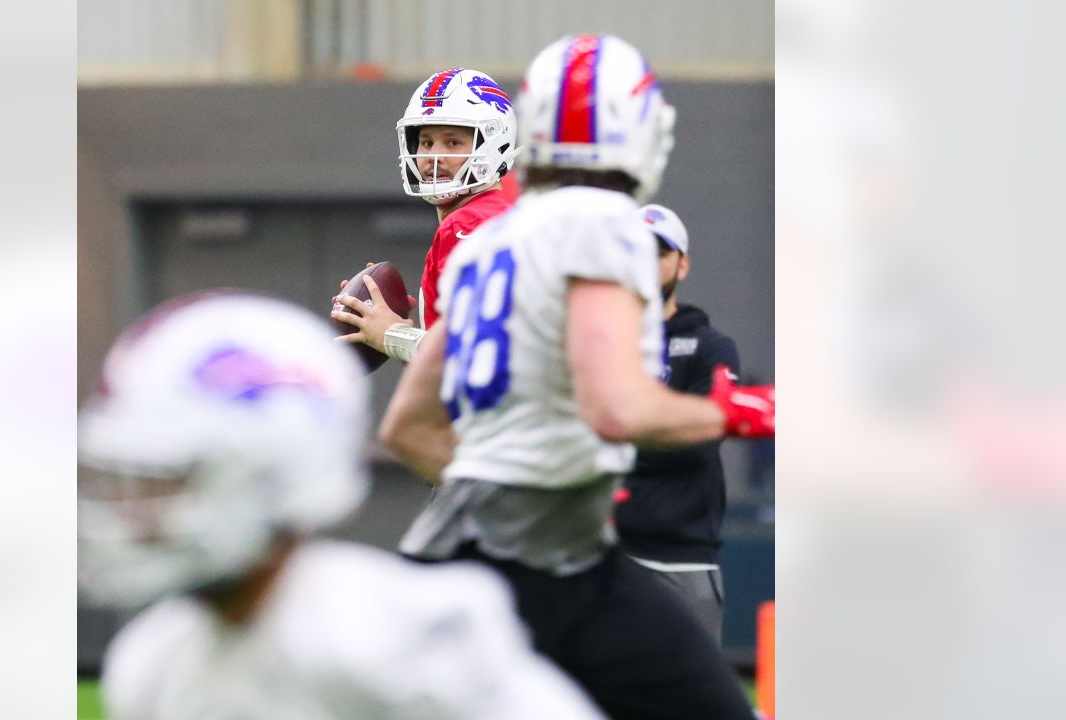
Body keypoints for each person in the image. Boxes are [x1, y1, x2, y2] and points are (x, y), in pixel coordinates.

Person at [379, 34, 774, 719]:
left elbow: (407, 429)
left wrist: (510, 479)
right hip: (542, 562)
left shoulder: (489, 240)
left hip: (464, 552)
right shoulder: (607, 227)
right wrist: (742, 411)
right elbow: (616, 407)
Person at [77, 291, 605, 720]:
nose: (136, 514)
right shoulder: (152, 661)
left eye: (173, 480)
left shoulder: (393, 637)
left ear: (271, 473)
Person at [613, 203, 744, 646]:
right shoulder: (599, 342)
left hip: (680, 557)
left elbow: (701, 435)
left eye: (659, 253)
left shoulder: (709, 346)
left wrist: (614, 432)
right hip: (603, 553)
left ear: (682, 264)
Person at [333, 68, 516, 364]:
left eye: (453, 142)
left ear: (494, 144)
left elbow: (475, 359)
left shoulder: (467, 225)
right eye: (427, 142)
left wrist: (391, 334)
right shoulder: (496, 214)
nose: (434, 156)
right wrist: (398, 328)